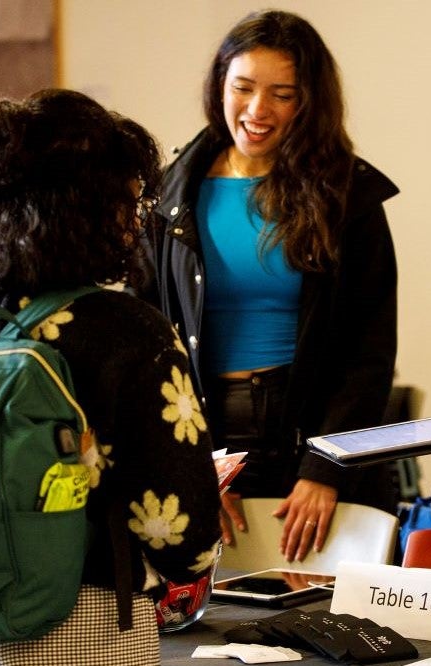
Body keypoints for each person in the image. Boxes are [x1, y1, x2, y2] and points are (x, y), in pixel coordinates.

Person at [0, 89, 222, 666]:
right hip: (73, 621)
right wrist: (194, 564)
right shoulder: (128, 331)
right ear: (90, 208)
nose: (137, 219)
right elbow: (177, 524)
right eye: (130, 199)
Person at [147, 10, 399, 563]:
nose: (258, 110)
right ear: (220, 87)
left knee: (318, 624)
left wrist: (326, 466)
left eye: (282, 94)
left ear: (309, 101)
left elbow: (369, 353)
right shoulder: (170, 195)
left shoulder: (347, 197)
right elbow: (146, 345)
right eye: (243, 88)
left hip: (312, 437)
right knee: (209, 637)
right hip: (203, 439)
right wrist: (193, 465)